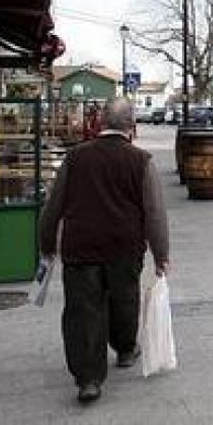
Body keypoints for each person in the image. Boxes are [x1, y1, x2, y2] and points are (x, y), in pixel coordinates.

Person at [39, 97, 170, 404]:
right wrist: (161, 254)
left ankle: (88, 379)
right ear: (132, 127)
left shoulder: (75, 158)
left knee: (83, 311)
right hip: (124, 247)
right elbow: (154, 213)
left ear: (100, 124)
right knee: (125, 300)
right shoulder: (141, 161)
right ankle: (125, 349)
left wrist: (46, 244)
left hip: (80, 247)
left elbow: (52, 207)